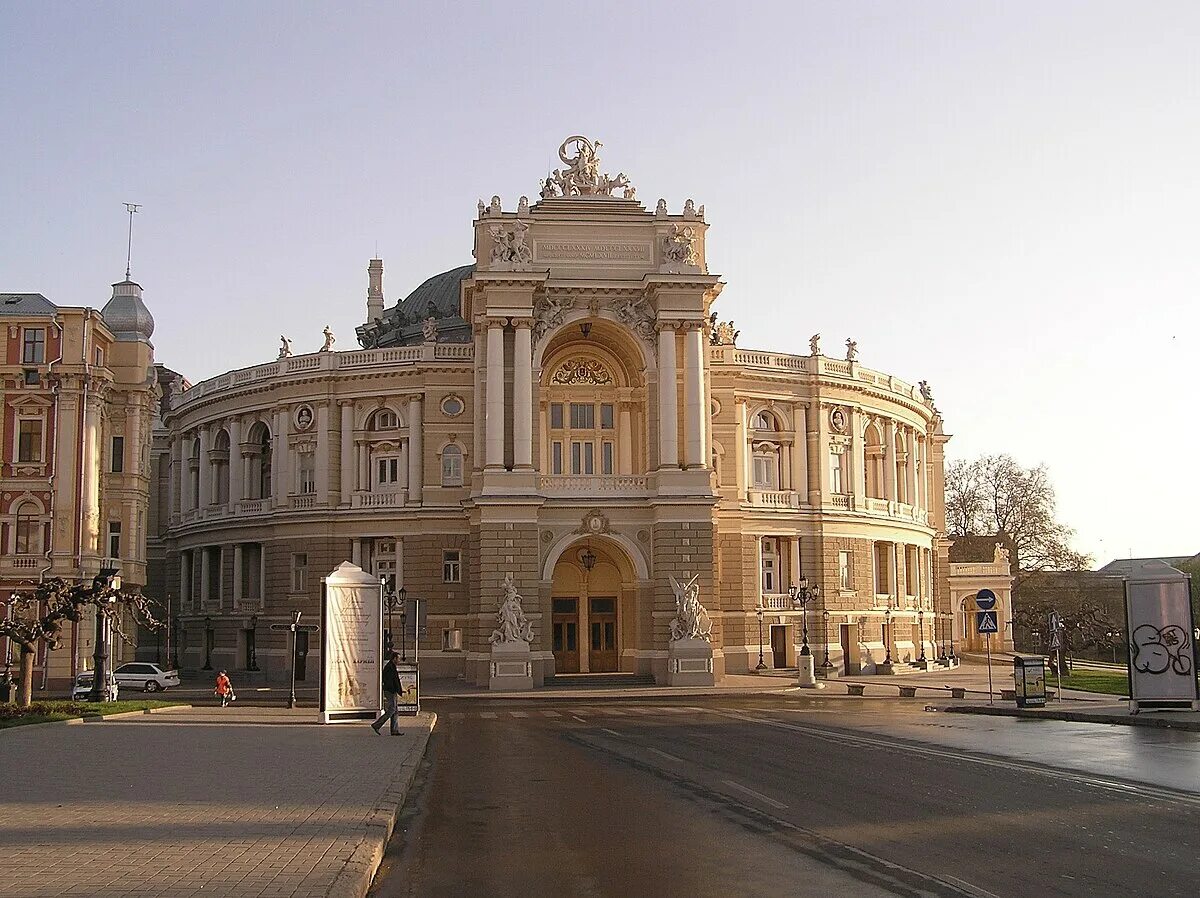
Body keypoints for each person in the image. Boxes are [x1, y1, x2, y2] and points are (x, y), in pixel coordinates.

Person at [372, 652, 402, 735]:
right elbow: (389, 681)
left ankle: (394, 730)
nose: (399, 660)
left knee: (395, 711)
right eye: (398, 658)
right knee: (392, 709)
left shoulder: (392, 666)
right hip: (390, 691)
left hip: (392, 690)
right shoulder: (389, 667)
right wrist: (393, 689)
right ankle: (377, 725)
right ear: (394, 658)